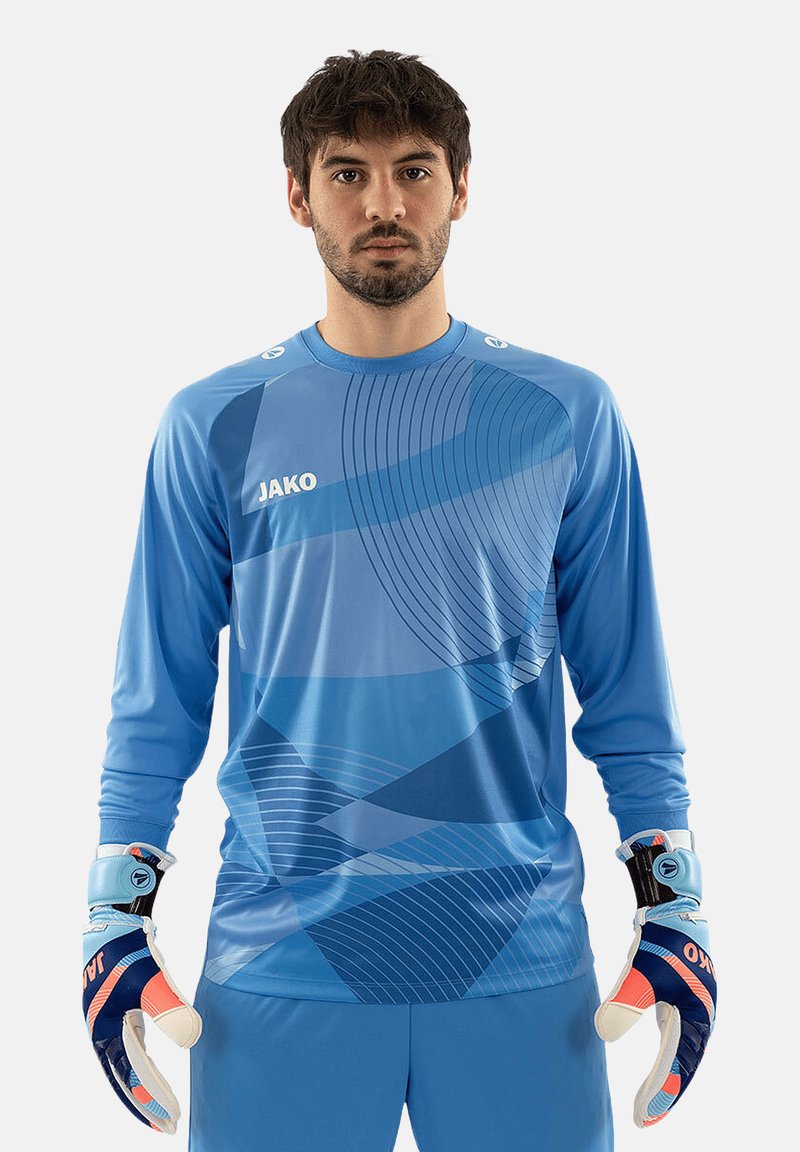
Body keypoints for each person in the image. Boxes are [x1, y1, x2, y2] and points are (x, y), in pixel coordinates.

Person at [82, 47, 716, 1152]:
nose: (384, 204)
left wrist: (673, 905)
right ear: (297, 196)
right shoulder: (213, 424)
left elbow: (627, 689)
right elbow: (158, 699)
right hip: (282, 964)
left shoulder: (563, 413)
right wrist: (112, 919)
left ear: (461, 188)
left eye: (414, 170)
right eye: (347, 173)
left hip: (520, 963)